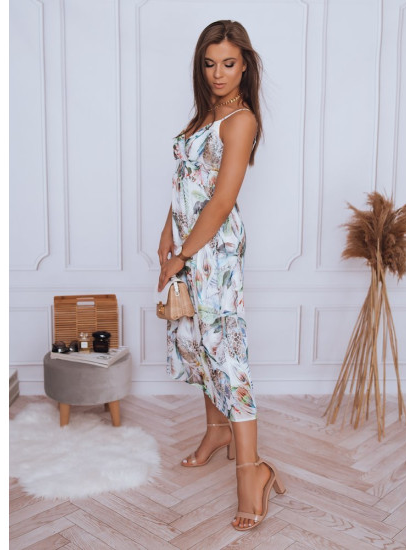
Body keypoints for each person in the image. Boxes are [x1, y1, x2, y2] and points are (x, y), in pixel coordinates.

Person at [157, 20, 286, 531]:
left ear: (245, 66)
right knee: (195, 340)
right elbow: (187, 183)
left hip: (214, 252)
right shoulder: (205, 115)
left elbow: (221, 200)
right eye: (209, 64)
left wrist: (183, 254)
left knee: (226, 354)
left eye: (228, 64)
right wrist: (166, 234)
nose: (218, 73)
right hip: (188, 242)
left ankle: (253, 474)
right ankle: (216, 431)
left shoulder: (240, 119)